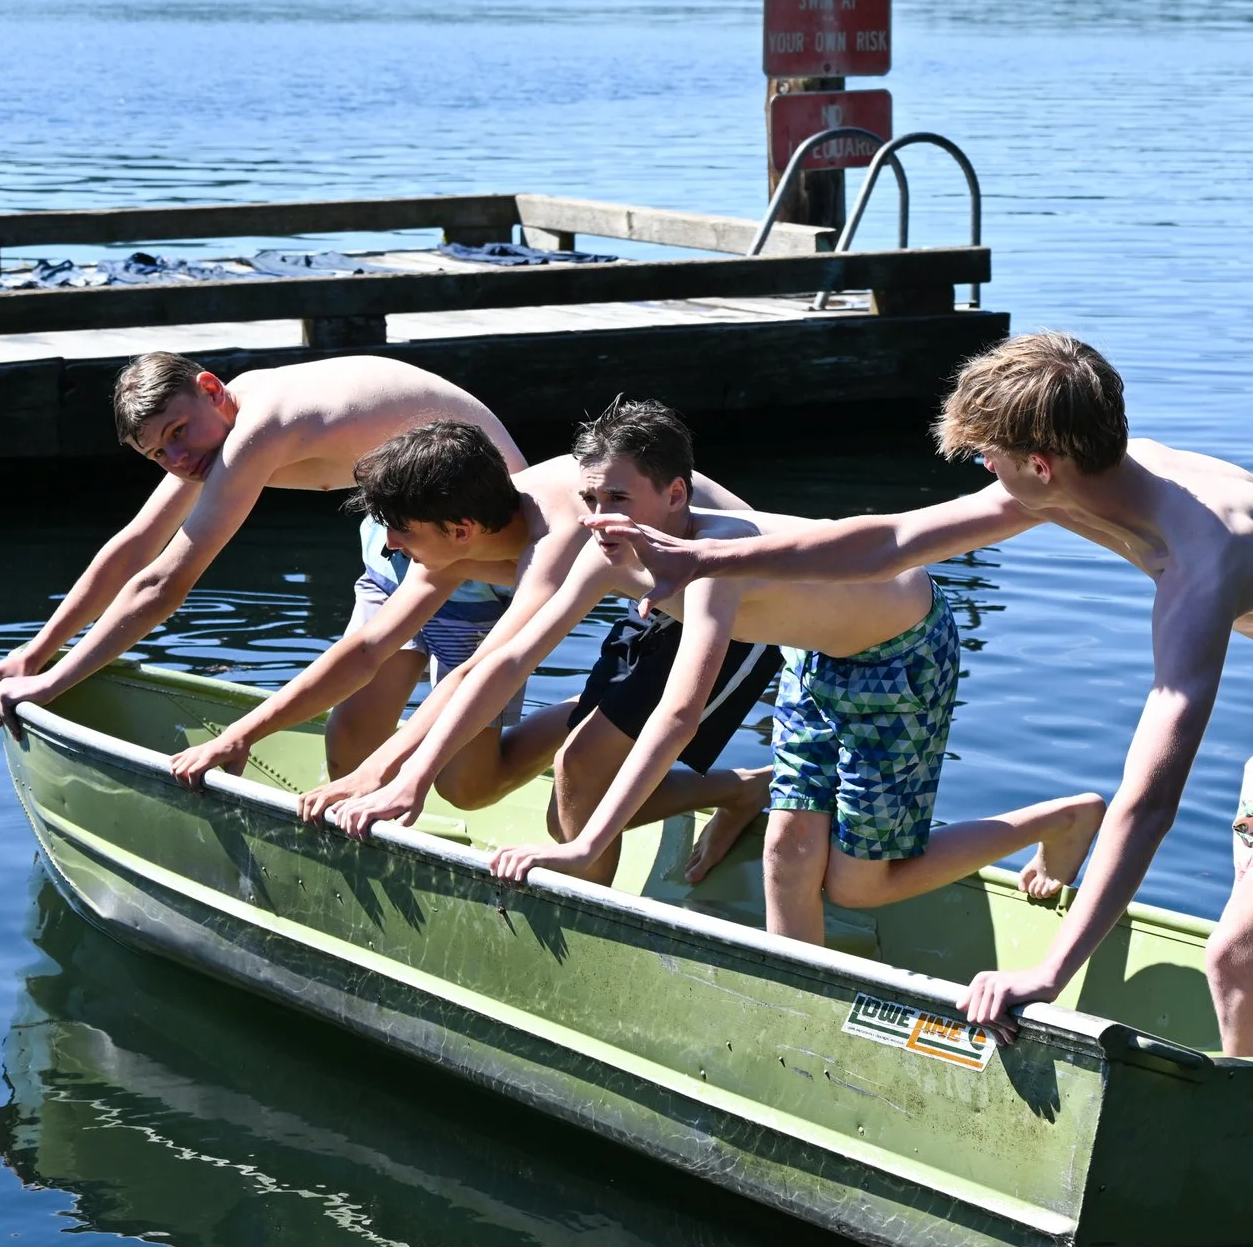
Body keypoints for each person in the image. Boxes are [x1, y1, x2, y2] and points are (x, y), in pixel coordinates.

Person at [590, 332, 1253, 1057]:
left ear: (1041, 462)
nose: (981, 473)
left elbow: (1149, 799)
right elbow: (890, 539)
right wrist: (705, 554)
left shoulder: (1202, 561)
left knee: (1238, 960)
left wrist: (1050, 968)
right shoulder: (1089, 476)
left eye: (989, 456)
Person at [314, 399, 1105, 939]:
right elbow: (509, 654)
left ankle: (1058, 818)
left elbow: (679, 713)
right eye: (590, 495)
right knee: (787, 857)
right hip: (813, 658)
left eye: (619, 496)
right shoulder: (598, 547)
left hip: (899, 652)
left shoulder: (714, 556)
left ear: (675, 493)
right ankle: (800, 1004)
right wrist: (407, 780)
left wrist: (587, 839)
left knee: (856, 883)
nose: (600, 514)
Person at [169, 417, 765, 831]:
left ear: (458, 531)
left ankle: (737, 791)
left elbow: (495, 666)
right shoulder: (460, 541)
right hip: (656, 605)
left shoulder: (555, 543)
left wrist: (395, 774)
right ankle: (723, 783)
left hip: (741, 612)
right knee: (561, 784)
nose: (391, 548)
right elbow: (367, 649)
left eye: (400, 534)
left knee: (578, 789)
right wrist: (241, 734)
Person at [0, 352, 527, 769]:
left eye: (177, 434)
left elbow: (164, 584)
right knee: (352, 734)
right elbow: (136, 545)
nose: (177, 459)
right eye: (157, 454)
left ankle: (591, 720)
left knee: (466, 780)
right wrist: (35, 652)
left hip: (472, 543)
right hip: (400, 537)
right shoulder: (214, 435)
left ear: (210, 390)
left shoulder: (258, 430)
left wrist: (52, 683)